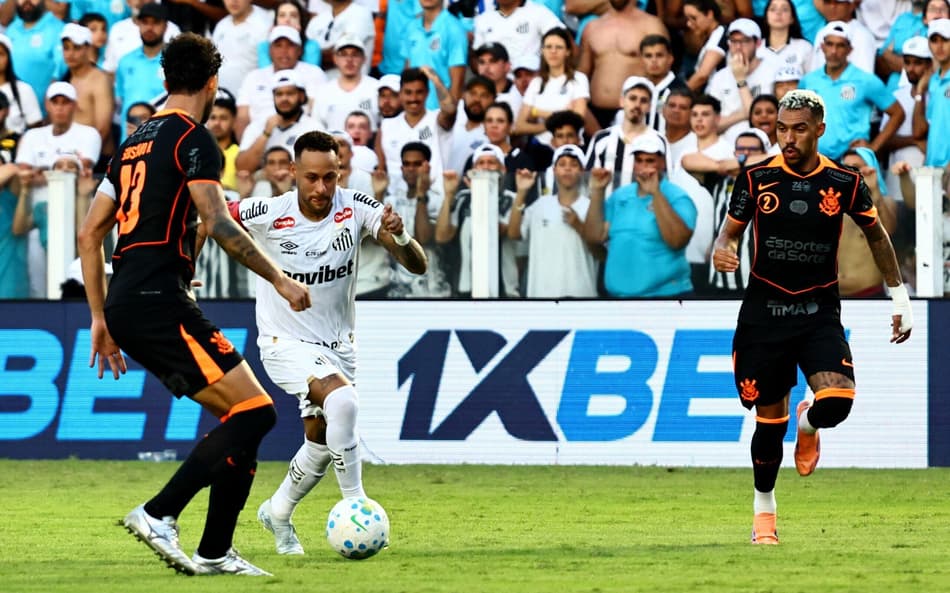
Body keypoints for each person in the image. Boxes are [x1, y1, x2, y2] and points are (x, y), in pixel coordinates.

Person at [77, 32, 311, 576]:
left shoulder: (133, 141)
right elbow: (219, 220)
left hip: (133, 299)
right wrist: (280, 279)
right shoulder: (193, 137)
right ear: (211, 83)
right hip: (158, 301)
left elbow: (91, 235)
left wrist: (99, 317)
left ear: (164, 81)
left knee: (244, 417)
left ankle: (214, 551)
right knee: (257, 412)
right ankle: (159, 513)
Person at [711, 89, 912, 545]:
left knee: (837, 403)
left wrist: (899, 299)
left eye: (799, 129)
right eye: (782, 128)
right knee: (768, 424)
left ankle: (810, 424)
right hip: (765, 313)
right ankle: (765, 513)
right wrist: (723, 251)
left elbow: (877, 236)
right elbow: (728, 235)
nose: (788, 138)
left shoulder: (844, 182)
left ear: (820, 129)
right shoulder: (756, 177)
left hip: (819, 309)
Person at [229, 131, 426, 555]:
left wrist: (402, 236)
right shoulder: (267, 211)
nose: (321, 189)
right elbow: (210, 218)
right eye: (312, 178)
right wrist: (184, 266)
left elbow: (417, 265)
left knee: (321, 440)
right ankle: (357, 502)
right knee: (345, 403)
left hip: (337, 345)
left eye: (331, 178)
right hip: (283, 341)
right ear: (293, 173)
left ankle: (278, 513)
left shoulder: (356, 207)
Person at [583, 133, 697, 297]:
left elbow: (677, 241)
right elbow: (594, 237)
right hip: (618, 299)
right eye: (639, 160)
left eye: (650, 161)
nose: (643, 166)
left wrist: (656, 193)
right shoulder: (620, 196)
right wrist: (598, 192)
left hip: (667, 298)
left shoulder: (678, 197)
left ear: (662, 163)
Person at [799, 21, 904, 161]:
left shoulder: (866, 80)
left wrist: (873, 147)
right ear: (822, 47)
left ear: (850, 49)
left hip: (852, 161)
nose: (834, 51)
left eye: (840, 45)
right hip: (816, 161)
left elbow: (897, 113)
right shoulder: (808, 81)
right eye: (829, 44)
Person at [508, 144, 598, 297]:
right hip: (542, 298)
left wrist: (580, 227)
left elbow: (602, 254)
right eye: (562, 164)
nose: (567, 169)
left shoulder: (592, 207)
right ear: (554, 170)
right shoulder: (539, 205)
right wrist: (521, 192)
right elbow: (514, 234)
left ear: (582, 171)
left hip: (582, 297)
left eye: (574, 165)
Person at [576, 0, 668, 130]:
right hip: (595, 114)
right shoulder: (592, 27)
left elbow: (662, 70)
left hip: (636, 112)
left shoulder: (651, 25)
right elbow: (582, 75)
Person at [514, 28, 589, 145]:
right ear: (542, 51)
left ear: (568, 51)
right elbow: (519, 126)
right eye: (548, 47)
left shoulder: (579, 79)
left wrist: (536, 112)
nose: (553, 51)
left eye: (559, 47)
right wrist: (558, 117)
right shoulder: (536, 83)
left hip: (570, 146)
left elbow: (578, 119)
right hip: (541, 148)